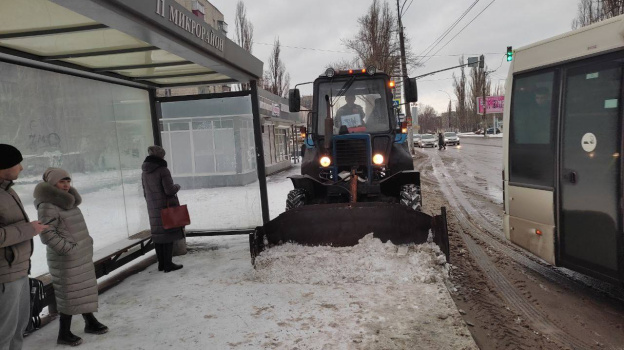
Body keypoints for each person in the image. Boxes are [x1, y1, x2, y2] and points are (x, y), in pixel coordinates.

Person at [34, 168, 108, 346]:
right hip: (65, 258)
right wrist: (69, 250)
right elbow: (47, 234)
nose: (66, 185)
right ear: (52, 184)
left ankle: (90, 321)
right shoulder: (47, 205)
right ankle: (64, 333)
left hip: (80, 254)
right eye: (62, 182)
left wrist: (85, 243)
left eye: (68, 181)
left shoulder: (69, 202)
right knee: (69, 293)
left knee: (81, 290)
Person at [0, 144, 47, 350]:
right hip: (4, 276)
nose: (21, 168)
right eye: (17, 163)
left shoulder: (8, 191)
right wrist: (29, 229)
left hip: (18, 270)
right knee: (4, 333)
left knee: (18, 329)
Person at [141, 146, 184, 273]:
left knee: (158, 237)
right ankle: (168, 264)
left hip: (152, 207)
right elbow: (169, 190)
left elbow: (145, 192)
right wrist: (177, 186)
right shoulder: (163, 170)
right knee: (168, 236)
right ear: (160, 156)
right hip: (165, 207)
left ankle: (161, 264)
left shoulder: (144, 171)